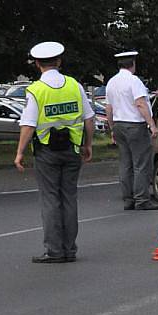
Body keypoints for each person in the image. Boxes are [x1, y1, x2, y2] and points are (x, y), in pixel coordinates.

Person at [14, 41, 95, 263]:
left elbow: (28, 124)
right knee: (69, 197)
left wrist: (20, 152)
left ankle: (55, 251)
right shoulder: (74, 85)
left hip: (46, 152)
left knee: (50, 199)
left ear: (38, 64)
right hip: (72, 150)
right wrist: (88, 144)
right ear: (59, 61)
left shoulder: (36, 90)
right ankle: (70, 249)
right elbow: (89, 118)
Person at [105, 50, 158, 211]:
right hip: (135, 125)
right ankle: (142, 199)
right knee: (141, 164)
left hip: (119, 124)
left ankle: (128, 199)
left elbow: (109, 108)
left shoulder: (111, 82)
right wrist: (152, 125)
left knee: (125, 163)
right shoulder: (134, 81)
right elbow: (141, 103)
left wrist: (112, 128)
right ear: (133, 64)